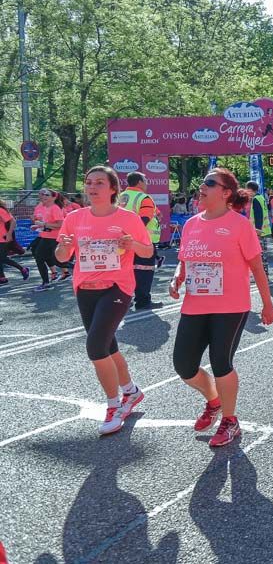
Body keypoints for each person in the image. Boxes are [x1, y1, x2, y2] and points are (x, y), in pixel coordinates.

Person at [168, 168, 273, 447]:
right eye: (202, 182)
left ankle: (230, 420)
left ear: (226, 192)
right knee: (183, 365)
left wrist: (267, 303)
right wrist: (176, 277)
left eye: (209, 183)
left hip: (231, 306)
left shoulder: (239, 225)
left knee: (221, 363)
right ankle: (214, 401)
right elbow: (185, 259)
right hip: (195, 305)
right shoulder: (192, 224)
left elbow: (256, 266)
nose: (202, 187)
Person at [55, 166, 152, 435]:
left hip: (116, 287)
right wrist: (63, 246)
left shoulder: (128, 218)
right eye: (89, 182)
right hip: (85, 288)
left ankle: (114, 406)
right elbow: (62, 256)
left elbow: (147, 251)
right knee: (108, 347)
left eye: (99, 182)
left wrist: (131, 244)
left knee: (96, 346)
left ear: (112, 188)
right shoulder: (74, 218)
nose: (93, 187)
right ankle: (131, 392)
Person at [118, 172, 161, 309]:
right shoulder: (144, 198)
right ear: (139, 182)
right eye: (145, 180)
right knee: (144, 271)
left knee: (125, 271)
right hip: (142, 242)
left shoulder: (119, 197)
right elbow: (144, 220)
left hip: (121, 241)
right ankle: (143, 301)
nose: (147, 183)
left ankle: (124, 300)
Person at [31, 188, 65, 291]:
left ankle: (77, 267)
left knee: (58, 261)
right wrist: (37, 226)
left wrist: (44, 224)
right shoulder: (44, 207)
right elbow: (43, 222)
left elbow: (61, 224)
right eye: (42, 194)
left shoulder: (55, 208)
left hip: (54, 238)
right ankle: (46, 283)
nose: (43, 196)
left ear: (53, 197)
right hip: (45, 237)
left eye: (46, 195)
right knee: (39, 257)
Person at [244, 181, 271, 276]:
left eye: (247, 190)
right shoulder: (261, 197)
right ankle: (264, 274)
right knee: (263, 254)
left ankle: (263, 275)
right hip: (264, 230)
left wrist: (257, 230)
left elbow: (258, 215)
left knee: (260, 254)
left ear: (251, 190)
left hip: (259, 231)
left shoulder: (256, 199)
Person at [0, 200, 29, 284]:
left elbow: (12, 221)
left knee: (2, 258)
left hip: (3, 237)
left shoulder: (1, 210)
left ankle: (22, 269)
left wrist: (9, 234)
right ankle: (2, 277)